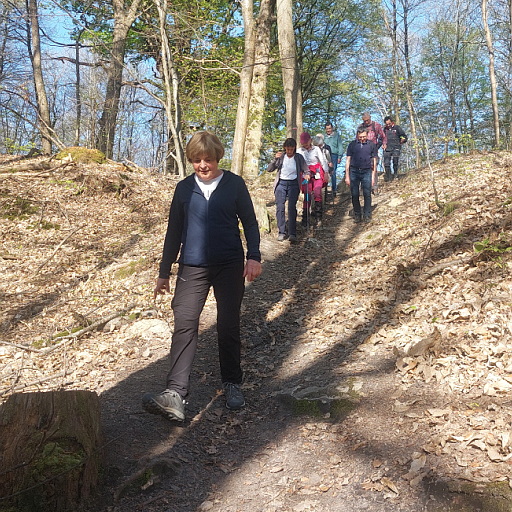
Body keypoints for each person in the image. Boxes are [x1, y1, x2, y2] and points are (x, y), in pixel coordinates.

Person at [143, 131, 262, 422]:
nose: (203, 165)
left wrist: (254, 256)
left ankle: (232, 383)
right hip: (192, 267)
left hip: (229, 265)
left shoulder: (234, 184)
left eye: (207, 159)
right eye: (197, 160)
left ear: (217, 157)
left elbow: (249, 222)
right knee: (184, 323)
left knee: (228, 324)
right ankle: (175, 393)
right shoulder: (184, 189)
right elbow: (174, 231)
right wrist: (164, 271)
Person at [267, 138, 309, 243]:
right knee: (280, 207)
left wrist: (307, 174)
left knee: (291, 207)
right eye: (287, 149)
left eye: (291, 149)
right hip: (281, 184)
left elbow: (306, 169)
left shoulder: (298, 157)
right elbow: (269, 169)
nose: (289, 151)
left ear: (294, 148)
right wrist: (275, 159)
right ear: (285, 148)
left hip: (293, 184)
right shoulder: (281, 157)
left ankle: (292, 233)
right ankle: (281, 232)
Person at [345, 128, 377, 223]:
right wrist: (347, 175)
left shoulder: (371, 145)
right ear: (357, 136)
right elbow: (348, 160)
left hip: (367, 171)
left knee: (367, 193)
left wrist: (373, 177)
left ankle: (367, 215)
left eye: (364, 137)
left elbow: (374, 162)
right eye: (360, 137)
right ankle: (357, 214)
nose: (362, 138)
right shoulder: (352, 145)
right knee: (354, 194)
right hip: (354, 171)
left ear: (367, 135)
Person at [297, 132, 328, 222]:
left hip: (316, 174)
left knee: (318, 192)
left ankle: (318, 216)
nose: (305, 146)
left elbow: (323, 161)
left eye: (306, 143)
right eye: (303, 144)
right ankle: (305, 217)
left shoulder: (316, 149)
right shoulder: (299, 151)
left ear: (310, 140)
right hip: (305, 175)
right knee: (307, 194)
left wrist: (326, 172)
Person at [383, 115, 408, 181]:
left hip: (396, 147)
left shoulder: (397, 128)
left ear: (392, 122)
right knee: (386, 163)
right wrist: (382, 144)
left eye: (389, 123)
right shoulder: (384, 130)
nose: (388, 125)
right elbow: (381, 139)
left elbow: (404, 136)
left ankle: (395, 175)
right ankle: (388, 176)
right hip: (387, 148)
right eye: (387, 124)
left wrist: (403, 139)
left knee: (395, 160)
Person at [324, 122, 343, 195]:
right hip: (325, 156)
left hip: (334, 155)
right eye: (327, 129)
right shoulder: (324, 137)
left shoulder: (336, 136)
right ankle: (325, 189)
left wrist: (339, 157)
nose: (328, 130)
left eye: (329, 128)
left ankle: (334, 189)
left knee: (333, 172)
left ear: (332, 128)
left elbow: (340, 146)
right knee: (325, 171)